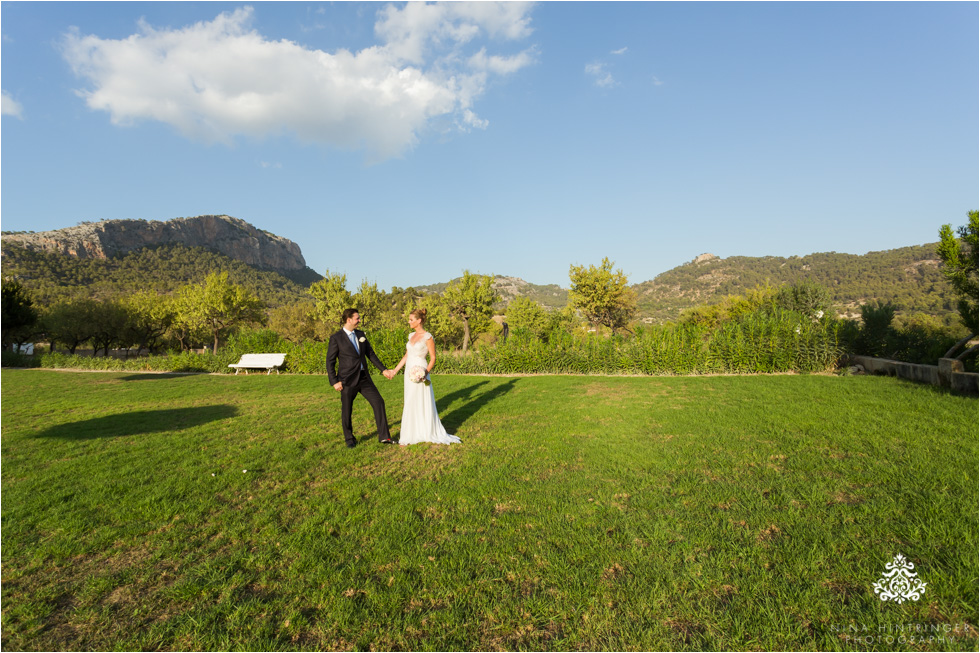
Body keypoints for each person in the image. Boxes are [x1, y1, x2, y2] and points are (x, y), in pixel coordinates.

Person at [389, 308, 461, 446]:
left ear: (419, 320)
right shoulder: (411, 336)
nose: (409, 322)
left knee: (421, 399)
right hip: (409, 370)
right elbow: (406, 355)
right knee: (409, 399)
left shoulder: (428, 337)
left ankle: (425, 430)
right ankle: (410, 433)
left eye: (411, 320)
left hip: (421, 370)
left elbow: (433, 358)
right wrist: (395, 370)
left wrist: (424, 373)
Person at [326, 308, 396, 448]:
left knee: (378, 402)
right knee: (347, 410)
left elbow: (370, 354)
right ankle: (349, 439)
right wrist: (334, 381)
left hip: (364, 378)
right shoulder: (336, 338)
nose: (359, 320)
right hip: (347, 381)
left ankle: (384, 437)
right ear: (349, 320)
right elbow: (330, 361)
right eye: (357, 318)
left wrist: (383, 370)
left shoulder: (361, 334)